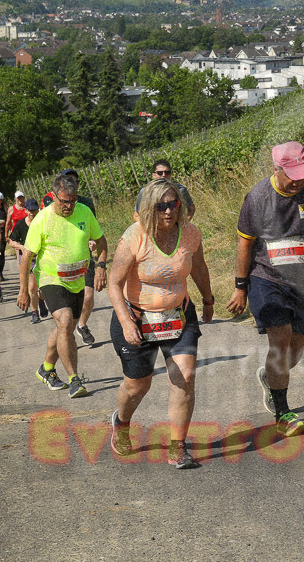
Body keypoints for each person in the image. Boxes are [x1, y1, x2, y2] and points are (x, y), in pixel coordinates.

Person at [225, 141, 304, 436]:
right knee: (280, 341)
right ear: (276, 169)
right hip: (265, 278)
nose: (297, 181)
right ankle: (283, 412)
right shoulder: (257, 197)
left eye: (301, 174)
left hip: (300, 281)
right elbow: (244, 245)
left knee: (295, 352)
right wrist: (240, 287)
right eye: (291, 175)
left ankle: (270, 376)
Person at [108, 178, 215, 468]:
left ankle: (177, 446)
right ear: (147, 209)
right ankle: (122, 422)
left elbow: (199, 267)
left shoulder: (191, 234)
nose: (168, 211)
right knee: (138, 386)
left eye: (173, 204)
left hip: (178, 315)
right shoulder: (134, 237)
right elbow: (114, 283)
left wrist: (207, 299)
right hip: (137, 317)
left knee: (185, 377)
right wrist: (126, 322)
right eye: (161, 206)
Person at [19, 174, 107, 398]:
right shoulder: (42, 219)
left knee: (64, 328)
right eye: (64, 201)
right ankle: (74, 380)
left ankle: (46, 368)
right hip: (51, 278)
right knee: (66, 322)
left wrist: (101, 266)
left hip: (77, 279)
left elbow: (101, 241)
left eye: (73, 200)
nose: (69, 206)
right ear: (54, 196)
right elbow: (27, 256)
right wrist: (23, 290)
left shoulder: (84, 212)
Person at [43, 170, 98, 345]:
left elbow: (93, 230)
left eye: (75, 181)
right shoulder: (50, 204)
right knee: (65, 317)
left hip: (84, 260)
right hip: (59, 266)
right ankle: (65, 336)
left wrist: (93, 242)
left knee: (89, 296)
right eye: (68, 181)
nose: (71, 185)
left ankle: (82, 325)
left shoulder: (87, 204)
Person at [7, 199, 43, 323]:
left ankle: (42, 300)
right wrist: (22, 247)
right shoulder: (21, 224)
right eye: (30, 211)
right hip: (29, 260)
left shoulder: (43, 223)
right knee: (32, 287)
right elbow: (11, 241)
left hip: (42, 259)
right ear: (26, 211)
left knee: (42, 288)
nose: (32, 213)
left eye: (35, 210)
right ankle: (35, 313)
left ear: (38, 210)